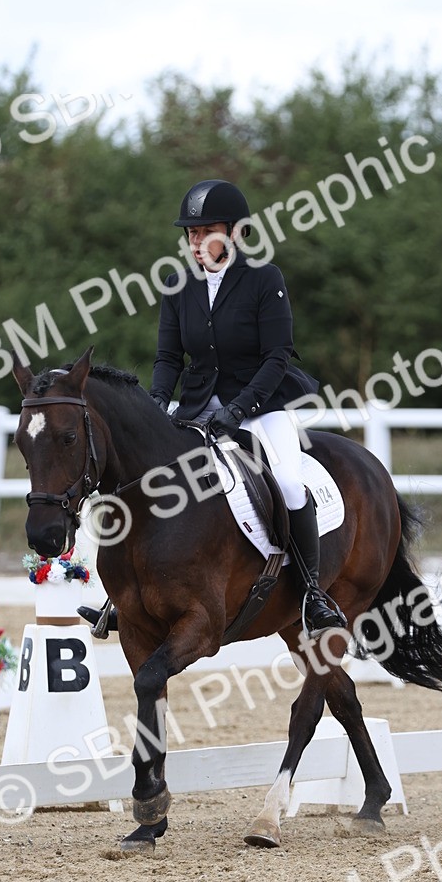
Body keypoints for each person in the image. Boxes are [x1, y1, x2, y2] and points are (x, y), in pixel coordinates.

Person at [79, 178, 345, 638]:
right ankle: (125, 596)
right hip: (199, 403)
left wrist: (242, 407)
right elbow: (167, 358)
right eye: (190, 234)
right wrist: (157, 402)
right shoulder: (177, 284)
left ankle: (311, 594)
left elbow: (277, 355)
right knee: (155, 477)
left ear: (235, 233)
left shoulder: (264, 279)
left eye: (205, 232)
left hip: (262, 404)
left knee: (287, 481)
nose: (195, 242)